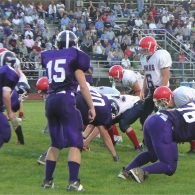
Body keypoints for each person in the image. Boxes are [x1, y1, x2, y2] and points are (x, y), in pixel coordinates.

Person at [40, 30, 96, 191]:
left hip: (50, 100)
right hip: (65, 99)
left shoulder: (48, 55)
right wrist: (91, 106)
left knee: (55, 143)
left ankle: (47, 181)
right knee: (76, 142)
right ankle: (73, 182)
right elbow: (83, 85)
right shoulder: (75, 56)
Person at [118, 101, 195, 183]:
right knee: (170, 166)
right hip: (165, 127)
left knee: (153, 154)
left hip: (153, 118)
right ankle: (140, 172)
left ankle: (125, 171)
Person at [38, 84, 119, 165]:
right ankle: (46, 157)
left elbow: (93, 123)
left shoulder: (100, 96)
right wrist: (115, 155)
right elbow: (106, 137)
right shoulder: (105, 112)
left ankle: (47, 154)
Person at [139, 36, 171, 125]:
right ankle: (148, 138)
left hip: (162, 90)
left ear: (152, 48)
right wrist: (142, 90)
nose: (143, 52)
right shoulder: (143, 59)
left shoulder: (160, 56)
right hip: (151, 90)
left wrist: (159, 91)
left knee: (162, 117)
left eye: (145, 49)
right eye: (142, 49)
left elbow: (166, 76)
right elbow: (146, 75)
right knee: (143, 118)